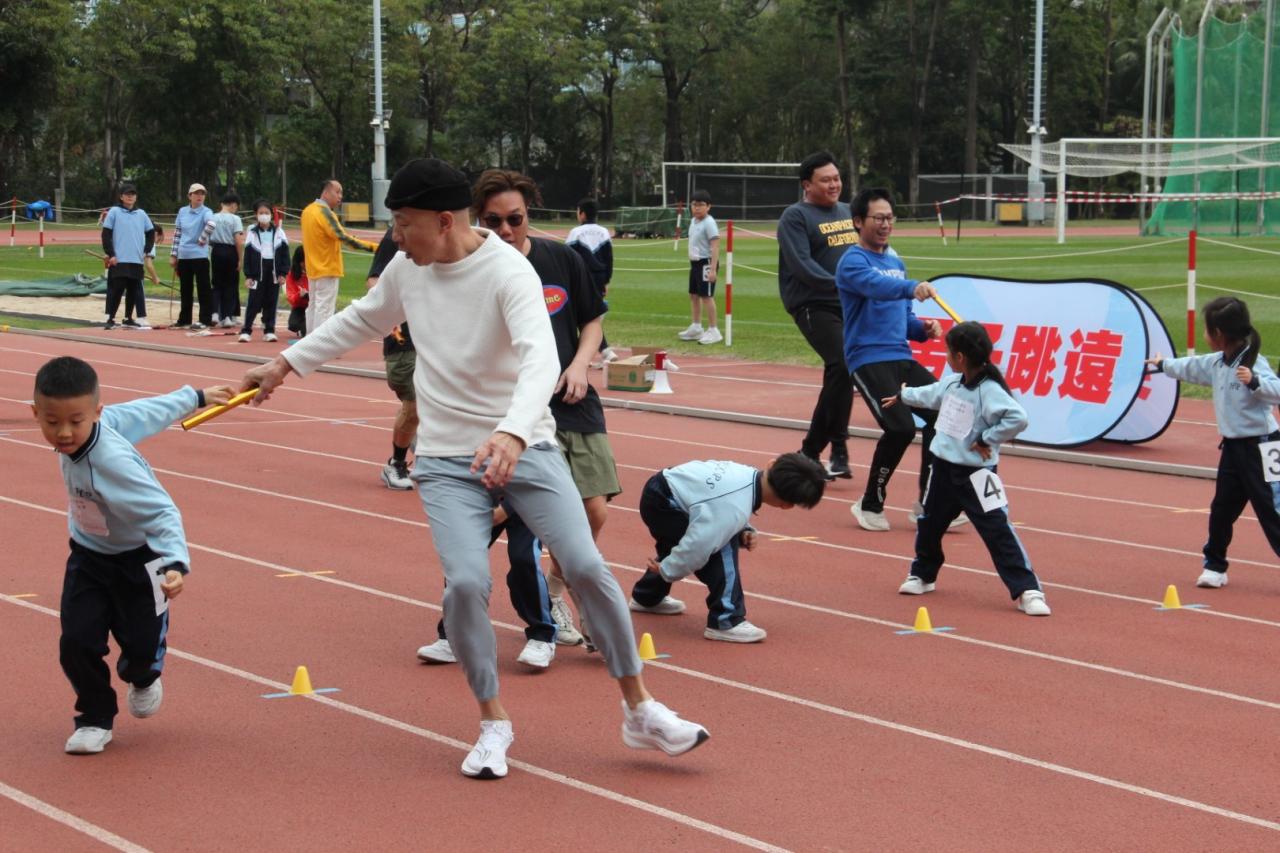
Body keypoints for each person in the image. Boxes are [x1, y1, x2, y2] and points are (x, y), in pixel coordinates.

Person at [240, 158, 709, 780]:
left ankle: (640, 708)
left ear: (443, 221)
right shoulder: (408, 268)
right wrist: (283, 364)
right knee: (464, 584)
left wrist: (512, 432)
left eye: (403, 224)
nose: (394, 237)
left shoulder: (509, 271)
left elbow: (541, 359)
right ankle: (493, 722)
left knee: (586, 566)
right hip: (444, 459)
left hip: (526, 445)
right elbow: (361, 318)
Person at [31, 355, 232, 754]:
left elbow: (161, 511)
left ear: (96, 413)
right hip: (88, 558)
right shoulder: (96, 423)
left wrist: (174, 563)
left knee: (140, 646)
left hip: (142, 561)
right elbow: (145, 412)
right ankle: (94, 717)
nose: (64, 433)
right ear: (35, 413)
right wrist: (195, 397)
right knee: (77, 641)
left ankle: (143, 675)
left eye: (75, 421)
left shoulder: (113, 461)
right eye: (52, 422)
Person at [470, 168, 623, 651]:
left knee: (594, 509)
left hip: (572, 399)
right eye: (493, 221)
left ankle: (556, 587)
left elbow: (593, 321)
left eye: (515, 219)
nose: (506, 230)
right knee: (513, 522)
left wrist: (579, 365)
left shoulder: (561, 258)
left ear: (528, 215)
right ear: (478, 220)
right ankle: (466, 617)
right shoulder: (473, 269)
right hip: (516, 412)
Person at [885, 322, 1049, 616]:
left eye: (948, 351)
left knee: (997, 530)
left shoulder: (990, 391)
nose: (946, 356)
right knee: (929, 525)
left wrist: (987, 438)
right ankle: (922, 575)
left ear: (960, 356)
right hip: (942, 470)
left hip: (977, 475)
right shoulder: (952, 383)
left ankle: (1028, 589)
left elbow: (1018, 418)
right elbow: (930, 394)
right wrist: (903, 395)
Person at [837, 187, 967, 533]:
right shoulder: (853, 262)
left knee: (943, 414)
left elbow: (901, 315)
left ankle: (929, 502)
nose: (885, 224)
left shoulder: (896, 263)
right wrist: (911, 287)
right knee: (900, 428)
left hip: (900, 356)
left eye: (889, 218)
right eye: (878, 218)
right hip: (867, 359)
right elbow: (875, 287)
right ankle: (870, 503)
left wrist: (923, 329)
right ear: (858, 221)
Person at [1147, 296, 1280, 590]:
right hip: (1233, 449)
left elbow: (1277, 391)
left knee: (1273, 510)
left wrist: (1255, 382)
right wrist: (1163, 364)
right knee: (1221, 510)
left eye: (1206, 330)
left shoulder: (1254, 363)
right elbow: (1191, 366)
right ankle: (1214, 566)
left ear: (1218, 333)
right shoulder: (1217, 362)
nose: (1205, 335)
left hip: (1264, 446)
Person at [630, 452, 828, 642]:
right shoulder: (734, 508)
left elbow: (720, 506)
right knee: (721, 550)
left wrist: (743, 529)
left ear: (771, 464)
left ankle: (647, 596)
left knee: (685, 543)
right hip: (665, 503)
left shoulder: (746, 475)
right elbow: (699, 544)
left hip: (664, 489)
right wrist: (668, 570)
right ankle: (726, 620)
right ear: (787, 505)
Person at [778, 152, 859, 481]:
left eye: (836, 178)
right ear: (807, 185)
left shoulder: (849, 211)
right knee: (842, 363)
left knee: (842, 372)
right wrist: (845, 284)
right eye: (826, 180)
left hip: (850, 304)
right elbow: (803, 266)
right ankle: (830, 448)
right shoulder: (795, 217)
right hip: (814, 304)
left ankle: (816, 451)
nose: (834, 184)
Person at [416, 502, 561, 669]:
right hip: (480, 498)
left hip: (524, 498)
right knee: (462, 558)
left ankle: (543, 636)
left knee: (524, 560)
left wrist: (506, 507)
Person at [364, 227, 418, 490]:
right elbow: (374, 281)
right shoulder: (397, 235)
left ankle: (425, 447)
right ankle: (396, 464)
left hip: (437, 338)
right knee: (415, 403)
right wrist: (396, 312)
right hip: (404, 341)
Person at [300, 180, 377, 333]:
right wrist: (374, 247)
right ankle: (320, 343)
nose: (340, 196)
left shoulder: (307, 211)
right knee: (324, 310)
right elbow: (343, 238)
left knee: (313, 307)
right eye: (337, 192)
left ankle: (309, 340)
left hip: (313, 269)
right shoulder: (325, 212)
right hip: (327, 269)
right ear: (326, 192)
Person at [566, 197, 617, 362]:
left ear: (582, 214)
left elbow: (568, 258)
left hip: (582, 277)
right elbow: (609, 258)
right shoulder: (604, 232)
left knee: (581, 315)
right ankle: (604, 350)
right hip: (599, 277)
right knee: (591, 314)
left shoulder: (576, 232)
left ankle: (601, 351)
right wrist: (606, 280)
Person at [99, 183, 154, 331]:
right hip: (119, 259)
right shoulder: (114, 212)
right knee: (117, 289)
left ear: (136, 197)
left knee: (133, 290)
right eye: (127, 194)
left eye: (133, 194)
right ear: (121, 197)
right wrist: (111, 254)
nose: (130, 197)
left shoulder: (141, 214)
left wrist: (147, 250)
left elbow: (150, 232)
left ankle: (128, 318)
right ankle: (110, 318)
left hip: (136, 259)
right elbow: (106, 235)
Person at [238, 200, 289, 343]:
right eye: (261, 213)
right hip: (257, 272)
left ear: (271, 215)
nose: (264, 215)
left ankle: (269, 330)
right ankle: (246, 330)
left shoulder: (279, 232)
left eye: (266, 213)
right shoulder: (252, 233)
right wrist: (248, 275)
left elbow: (285, 254)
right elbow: (248, 255)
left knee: (271, 301)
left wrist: (283, 273)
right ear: (256, 215)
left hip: (273, 271)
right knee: (253, 301)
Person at [676, 189, 722, 345]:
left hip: (706, 263)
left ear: (708, 206)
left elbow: (715, 246)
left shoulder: (709, 223)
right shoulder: (693, 221)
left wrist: (713, 269)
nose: (696, 208)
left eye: (701, 205)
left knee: (706, 296)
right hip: (695, 263)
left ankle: (714, 330)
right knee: (694, 295)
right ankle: (696, 327)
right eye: (694, 204)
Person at [170, 183, 216, 329]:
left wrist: (202, 239)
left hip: (200, 256)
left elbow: (211, 224)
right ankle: (185, 319)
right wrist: (174, 254)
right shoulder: (182, 211)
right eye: (196, 193)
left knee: (203, 289)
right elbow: (177, 233)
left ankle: (205, 319)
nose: (199, 196)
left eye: (202, 194)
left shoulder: (206, 211)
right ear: (189, 196)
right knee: (185, 289)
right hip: (184, 255)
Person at [209, 191, 245, 328]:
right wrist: (240, 259)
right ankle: (228, 317)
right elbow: (238, 240)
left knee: (216, 283)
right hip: (230, 251)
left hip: (216, 250)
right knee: (230, 285)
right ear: (233, 205)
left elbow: (208, 236)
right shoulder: (235, 219)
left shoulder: (213, 217)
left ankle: (214, 313)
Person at [285, 246, 309, 338]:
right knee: (293, 325)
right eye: (304, 261)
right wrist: (300, 295)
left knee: (307, 330)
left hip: (313, 306)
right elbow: (291, 298)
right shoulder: (292, 275)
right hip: (300, 306)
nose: (306, 264)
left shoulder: (314, 272)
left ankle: (306, 327)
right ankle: (303, 326)